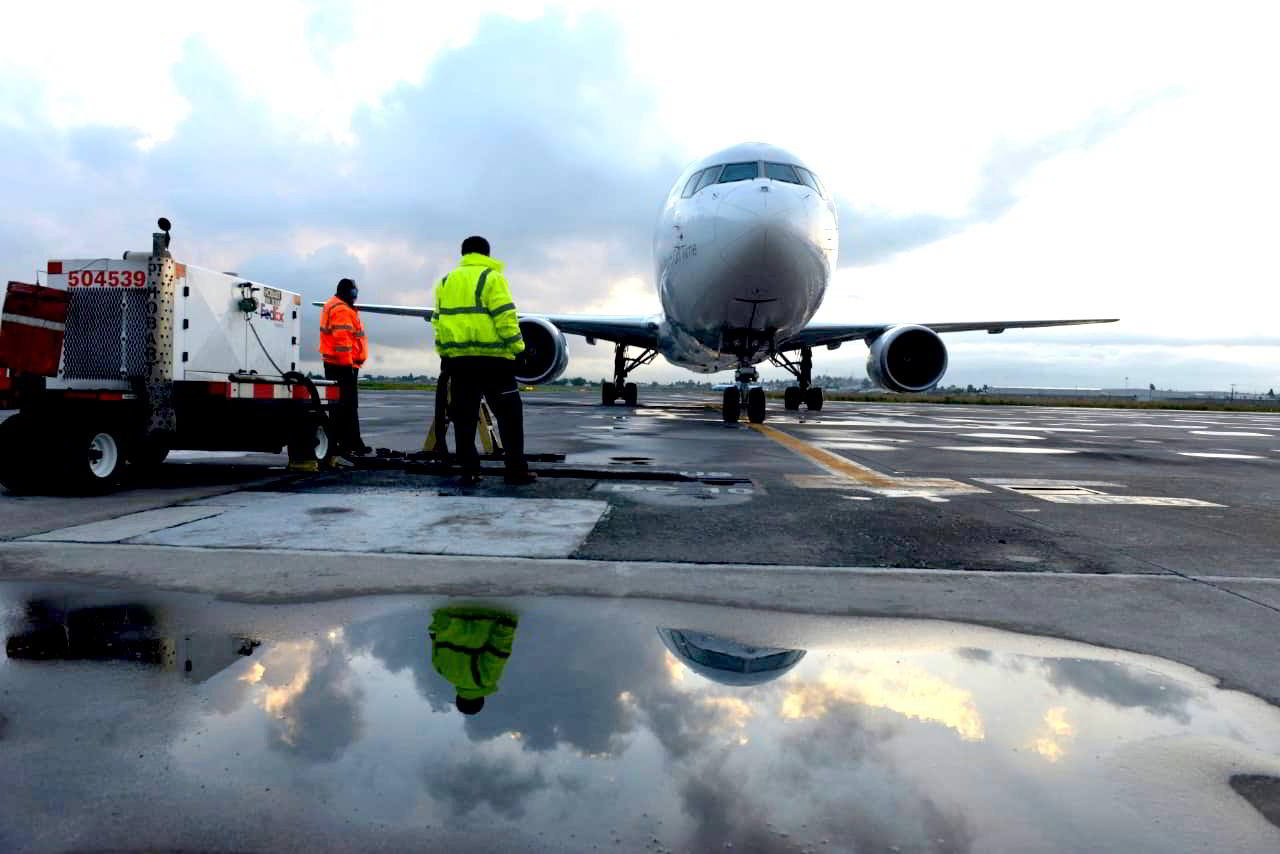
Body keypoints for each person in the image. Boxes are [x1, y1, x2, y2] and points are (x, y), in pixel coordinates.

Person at [432, 236, 534, 485]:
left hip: (460, 363)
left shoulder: (445, 282)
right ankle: (515, 471)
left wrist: (445, 353)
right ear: (487, 254)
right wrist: (519, 349)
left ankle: (469, 470)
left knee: (464, 419)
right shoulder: (492, 278)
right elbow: (505, 318)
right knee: (510, 416)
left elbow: (438, 322)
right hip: (494, 363)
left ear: (463, 254)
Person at [428, 605, 519, 716]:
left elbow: (498, 651)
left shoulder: (485, 680)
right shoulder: (441, 670)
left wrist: (509, 623)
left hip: (482, 612)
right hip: (449, 610)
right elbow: (434, 635)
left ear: (481, 699)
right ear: (458, 697)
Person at [318, 278, 371, 459]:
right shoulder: (341, 310)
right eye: (354, 292)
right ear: (350, 293)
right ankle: (352, 444)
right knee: (348, 406)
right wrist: (347, 364)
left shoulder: (332, 305)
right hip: (342, 364)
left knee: (339, 407)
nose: (356, 297)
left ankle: (341, 443)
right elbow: (343, 342)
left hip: (335, 363)